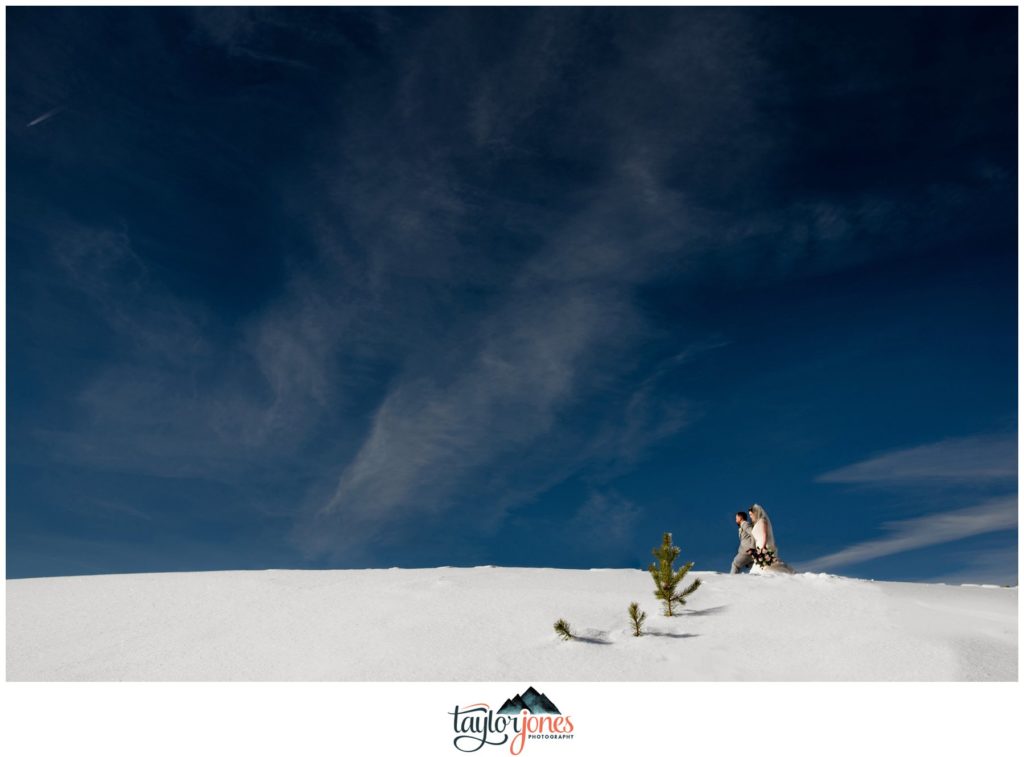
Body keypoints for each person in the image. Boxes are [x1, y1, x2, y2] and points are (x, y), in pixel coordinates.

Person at [747, 503, 795, 574]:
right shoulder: (757, 523)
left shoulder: (762, 521)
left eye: (751, 514)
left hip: (764, 546)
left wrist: (762, 548)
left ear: (756, 513)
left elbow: (764, 535)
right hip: (759, 546)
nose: (750, 516)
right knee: (761, 566)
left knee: (767, 567)